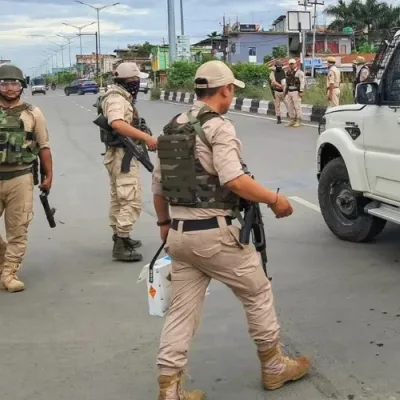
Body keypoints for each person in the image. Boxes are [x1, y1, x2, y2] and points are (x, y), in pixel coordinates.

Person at [151, 60, 310, 400]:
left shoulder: (171, 127)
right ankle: (274, 367)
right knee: (257, 293)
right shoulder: (218, 127)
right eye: (231, 90)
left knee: (181, 311)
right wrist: (274, 200)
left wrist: (165, 224)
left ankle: (169, 389)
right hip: (214, 234)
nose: (231, 96)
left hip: (179, 235)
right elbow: (233, 179)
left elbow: (158, 187)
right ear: (224, 90)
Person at [0, 64, 53, 293]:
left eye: (14, 83)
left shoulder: (33, 113)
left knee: (18, 229)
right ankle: (4, 261)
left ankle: (10, 273)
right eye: (4, 83)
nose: (10, 88)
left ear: (22, 85)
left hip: (20, 177)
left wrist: (48, 174)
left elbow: (43, 146)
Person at [98, 61, 157, 262]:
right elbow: (117, 123)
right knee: (131, 199)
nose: (137, 84)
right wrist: (146, 138)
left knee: (119, 198)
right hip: (122, 155)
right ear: (128, 80)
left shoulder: (120, 96)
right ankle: (121, 242)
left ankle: (121, 236)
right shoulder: (116, 99)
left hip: (119, 154)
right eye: (135, 80)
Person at [284, 59, 305, 127]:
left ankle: (298, 120)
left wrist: (301, 91)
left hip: (296, 91)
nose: (291, 65)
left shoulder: (299, 72)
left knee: (297, 107)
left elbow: (302, 82)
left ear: (295, 64)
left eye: (293, 64)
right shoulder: (288, 72)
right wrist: (285, 92)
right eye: (290, 64)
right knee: (290, 107)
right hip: (289, 91)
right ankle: (292, 120)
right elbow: (286, 84)